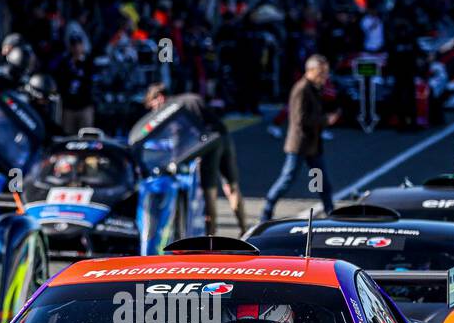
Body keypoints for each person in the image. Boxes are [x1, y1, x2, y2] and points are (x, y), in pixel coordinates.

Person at [142, 82, 244, 232]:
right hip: (224, 137)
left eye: (153, 106)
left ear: (160, 98)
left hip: (209, 146)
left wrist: (173, 162)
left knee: (209, 192)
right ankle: (243, 229)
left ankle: (211, 238)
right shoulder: (190, 97)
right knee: (231, 187)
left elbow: (178, 141)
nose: (155, 111)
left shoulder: (171, 110)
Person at [261, 55, 339, 223]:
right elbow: (300, 120)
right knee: (287, 180)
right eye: (321, 72)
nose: (324, 77)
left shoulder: (314, 87)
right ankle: (267, 209)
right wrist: (326, 120)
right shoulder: (301, 89)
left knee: (321, 180)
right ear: (310, 71)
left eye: (325, 72)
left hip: (313, 146)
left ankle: (330, 211)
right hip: (300, 146)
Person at [55, 35, 94, 134]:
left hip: (85, 107)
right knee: (68, 135)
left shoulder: (88, 62)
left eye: (78, 45)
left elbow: (91, 81)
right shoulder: (65, 62)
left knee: (85, 135)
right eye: (74, 45)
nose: (76, 48)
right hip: (69, 108)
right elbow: (60, 80)